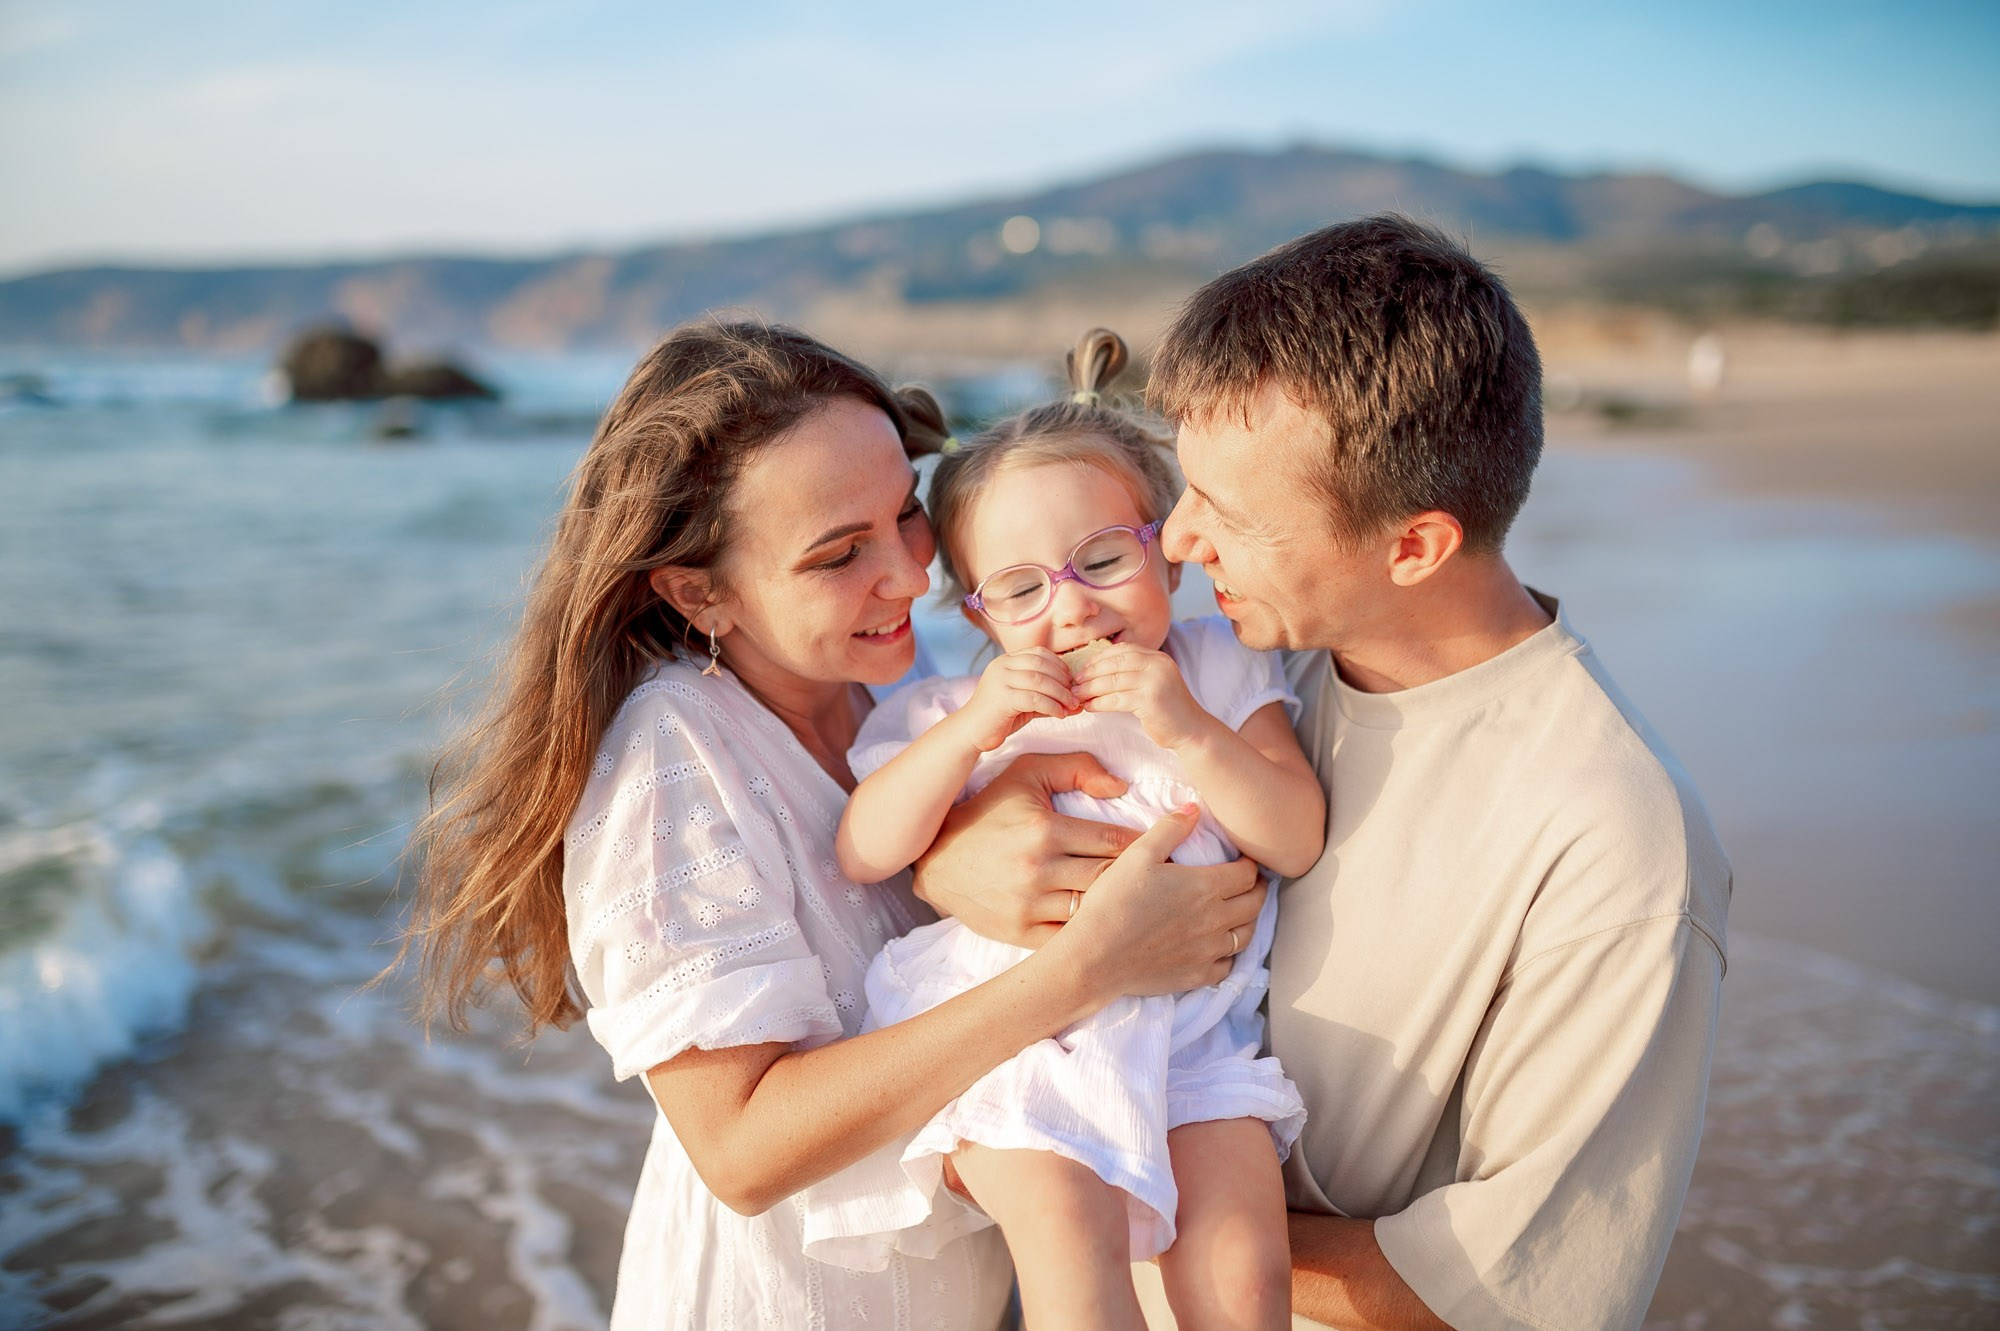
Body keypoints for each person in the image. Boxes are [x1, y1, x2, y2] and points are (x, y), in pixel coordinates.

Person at [912, 217, 1732, 1331]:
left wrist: (1129, 1219)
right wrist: (964, 853)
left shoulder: (1614, 843)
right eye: (1182, 492)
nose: (1183, 543)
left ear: (1412, 545)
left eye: (1231, 516)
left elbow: (1517, 1290)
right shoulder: (1249, 664)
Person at [401, 321, 1270, 1330]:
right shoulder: (671, 758)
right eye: (837, 554)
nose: (908, 575)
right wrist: (1081, 968)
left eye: (904, 512)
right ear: (699, 591)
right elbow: (741, 1149)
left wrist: (955, 852)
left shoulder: (875, 689)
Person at [804, 330, 1320, 1331]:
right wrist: (970, 734)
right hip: (1018, 1035)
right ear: (978, 613)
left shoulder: (1212, 670)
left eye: (1099, 560)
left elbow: (1294, 834)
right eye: (1022, 589)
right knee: (1070, 1260)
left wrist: (1186, 728)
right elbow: (864, 847)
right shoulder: (947, 708)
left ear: (1162, 551)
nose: (1071, 606)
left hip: (1193, 1037)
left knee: (1246, 1272)